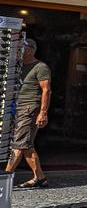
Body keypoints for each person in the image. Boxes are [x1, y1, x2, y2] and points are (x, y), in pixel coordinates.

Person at [6, 40, 49, 189]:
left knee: (19, 144)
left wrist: (43, 112)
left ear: (30, 50)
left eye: (21, 48)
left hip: (29, 108)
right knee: (26, 145)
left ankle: (4, 177)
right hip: (17, 108)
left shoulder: (40, 67)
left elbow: (46, 90)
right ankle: (40, 178)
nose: (19, 51)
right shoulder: (19, 66)